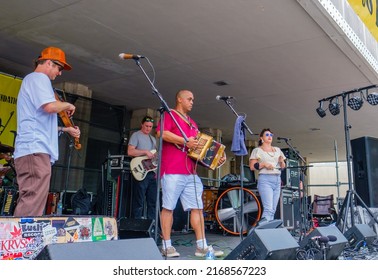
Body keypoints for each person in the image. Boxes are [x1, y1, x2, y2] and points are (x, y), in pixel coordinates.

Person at [156, 89, 225, 258]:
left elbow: (199, 149)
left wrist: (215, 159)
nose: (192, 102)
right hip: (172, 169)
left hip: (191, 171)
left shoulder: (193, 123)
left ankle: (202, 246)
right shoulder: (169, 115)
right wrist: (185, 141)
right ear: (179, 99)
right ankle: (166, 246)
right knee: (168, 208)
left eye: (193, 99)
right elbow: (160, 133)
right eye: (189, 99)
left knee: (198, 208)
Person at [13, 46, 81, 217]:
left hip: (33, 149)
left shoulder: (33, 81)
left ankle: (23, 239)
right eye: (59, 68)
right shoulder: (39, 78)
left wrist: (66, 129)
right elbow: (50, 107)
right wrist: (67, 104)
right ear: (49, 63)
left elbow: (39, 121)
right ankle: (24, 241)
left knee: (32, 199)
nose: (59, 73)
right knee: (32, 200)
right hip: (35, 150)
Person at [249, 128, 286, 222]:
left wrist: (282, 161)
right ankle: (262, 230)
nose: (269, 137)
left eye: (271, 135)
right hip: (265, 179)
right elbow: (252, 167)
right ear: (261, 138)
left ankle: (267, 230)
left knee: (273, 209)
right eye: (267, 135)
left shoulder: (277, 150)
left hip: (277, 179)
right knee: (268, 209)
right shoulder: (257, 150)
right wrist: (264, 164)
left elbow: (283, 166)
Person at [127, 115, 158, 220]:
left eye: (150, 126)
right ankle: (136, 223)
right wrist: (145, 151)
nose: (148, 128)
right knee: (139, 200)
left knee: (152, 201)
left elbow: (154, 156)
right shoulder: (136, 135)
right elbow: (130, 151)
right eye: (146, 126)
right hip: (140, 171)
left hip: (151, 173)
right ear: (142, 124)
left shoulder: (153, 139)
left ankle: (151, 226)